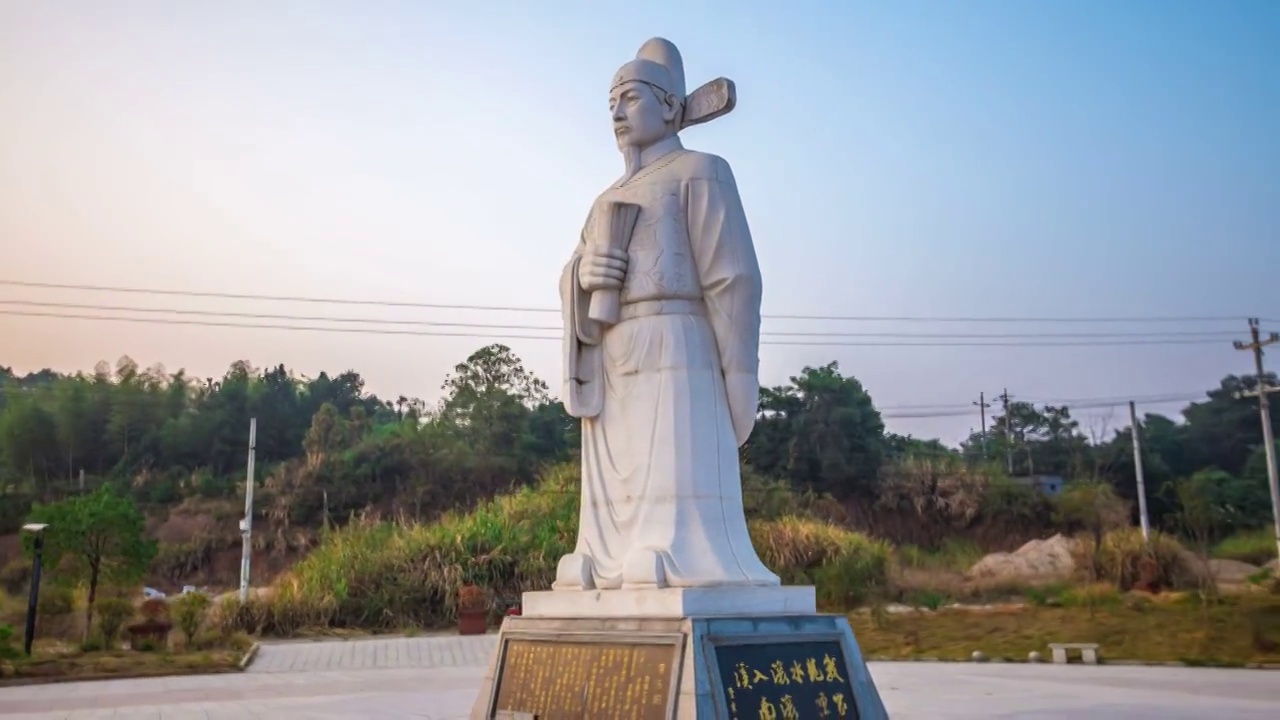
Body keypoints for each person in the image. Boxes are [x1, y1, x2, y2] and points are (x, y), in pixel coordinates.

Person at [553, 38, 780, 591]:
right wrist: (583, 277)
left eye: (629, 98)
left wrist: (739, 372)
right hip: (612, 346)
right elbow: (573, 272)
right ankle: (602, 555)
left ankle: (679, 553)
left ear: (671, 107)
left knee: (672, 459)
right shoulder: (603, 199)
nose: (616, 112)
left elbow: (733, 277)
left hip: (676, 340)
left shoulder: (701, 170)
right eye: (612, 101)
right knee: (616, 464)